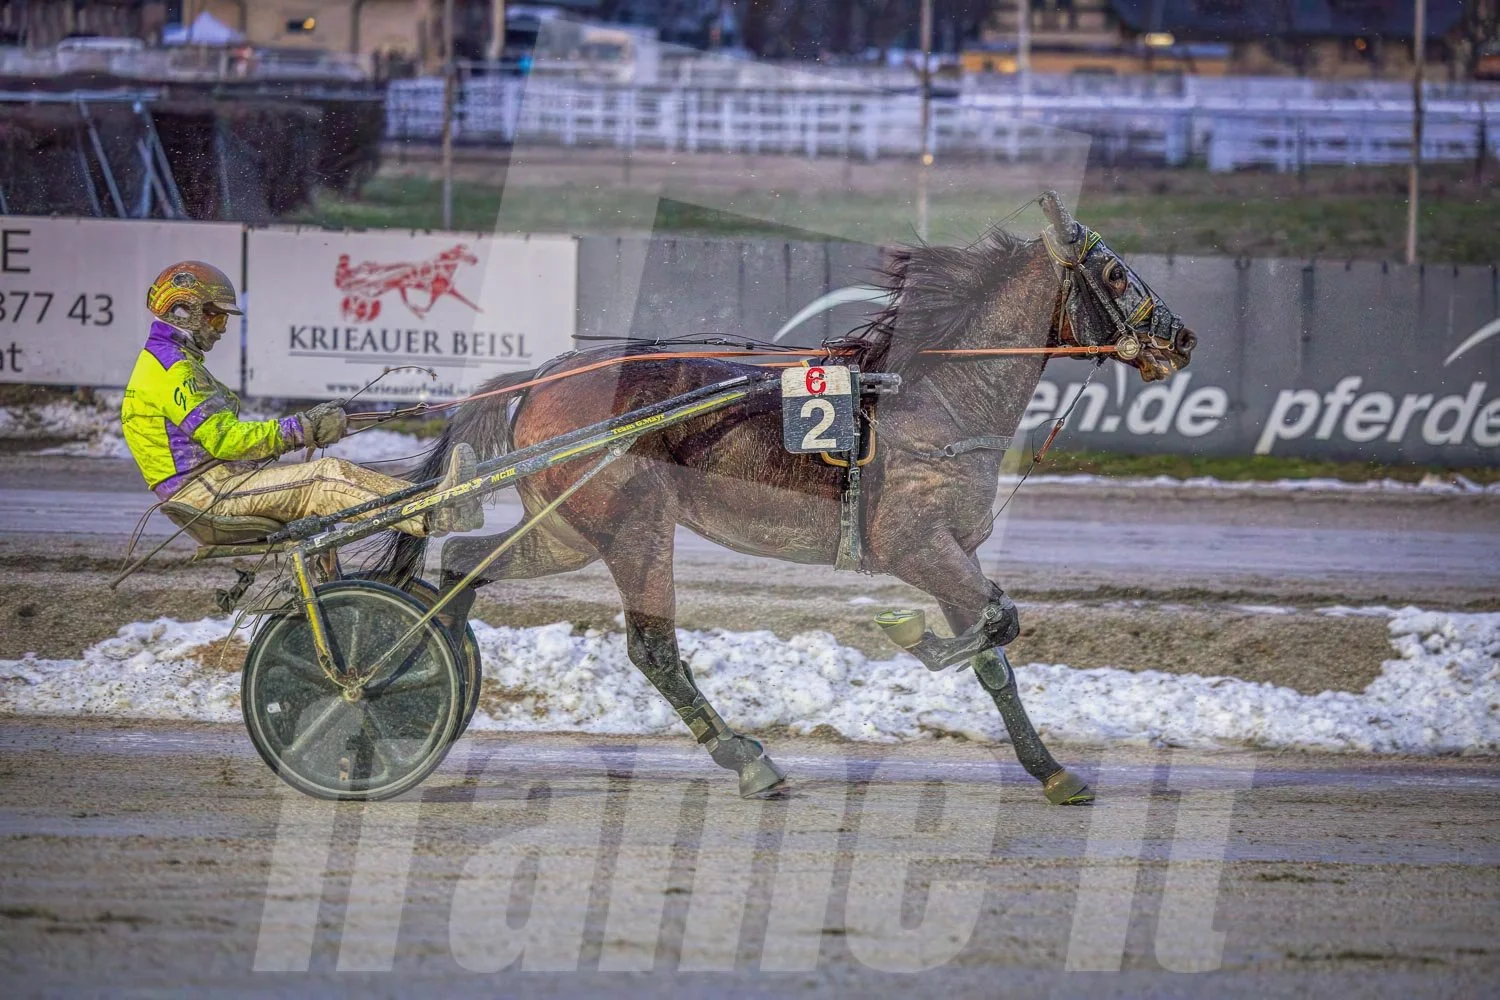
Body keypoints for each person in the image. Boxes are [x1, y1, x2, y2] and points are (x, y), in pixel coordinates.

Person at [120, 260, 482, 538]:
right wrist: (301, 429)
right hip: (207, 494)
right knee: (327, 477)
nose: (222, 329)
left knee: (331, 474)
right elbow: (226, 440)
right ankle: (434, 511)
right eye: (215, 318)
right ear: (184, 310)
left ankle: (437, 500)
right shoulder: (173, 370)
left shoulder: (170, 364)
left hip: (214, 483)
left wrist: (303, 428)